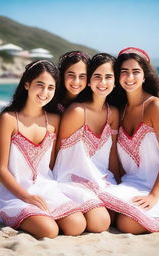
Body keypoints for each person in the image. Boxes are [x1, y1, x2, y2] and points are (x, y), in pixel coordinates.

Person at [0, 60, 86, 239]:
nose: (44, 92)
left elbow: (50, 165)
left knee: (77, 225)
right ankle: (34, 217)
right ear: (27, 84)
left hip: (44, 187)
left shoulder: (54, 120)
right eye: (39, 85)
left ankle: (43, 216)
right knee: (49, 230)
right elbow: (0, 169)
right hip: (12, 191)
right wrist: (27, 197)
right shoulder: (8, 119)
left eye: (51, 88)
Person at [99, 47, 159, 234]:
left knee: (127, 224)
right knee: (105, 213)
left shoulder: (156, 106)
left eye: (136, 72)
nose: (129, 77)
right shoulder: (119, 110)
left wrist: (154, 195)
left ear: (145, 76)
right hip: (132, 184)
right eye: (124, 72)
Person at [53, 53, 120, 232]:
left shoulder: (112, 113)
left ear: (116, 81)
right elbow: (57, 152)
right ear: (90, 81)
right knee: (100, 223)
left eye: (108, 77)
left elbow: (112, 153)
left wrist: (119, 183)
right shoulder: (76, 112)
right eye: (97, 76)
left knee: (117, 215)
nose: (103, 82)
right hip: (72, 179)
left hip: (101, 178)